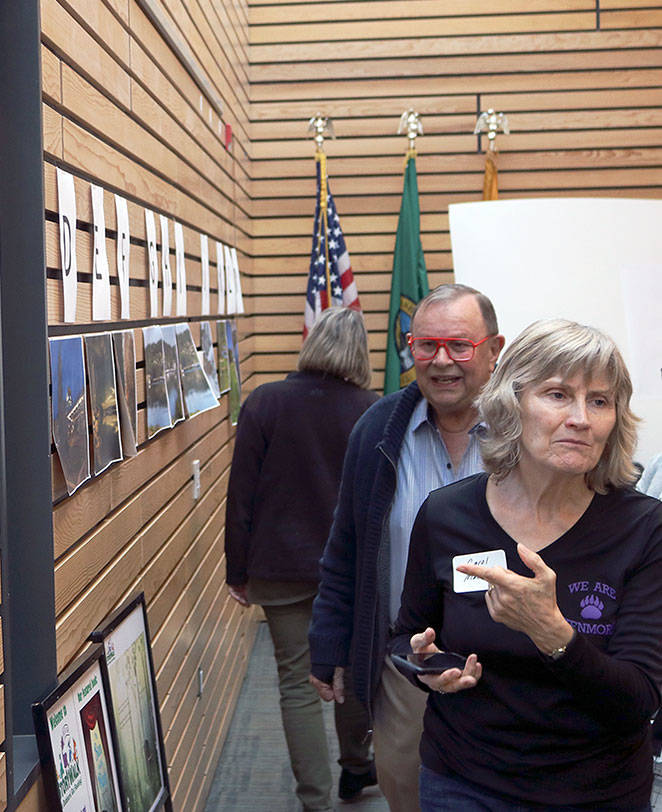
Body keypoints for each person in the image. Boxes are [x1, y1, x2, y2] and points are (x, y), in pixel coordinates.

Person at [390, 319, 662, 809]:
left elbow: (639, 701)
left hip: (596, 793)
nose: (580, 417)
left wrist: (553, 634)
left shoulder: (644, 529)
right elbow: (406, 635)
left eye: (599, 401)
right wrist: (424, 665)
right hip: (464, 782)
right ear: (511, 404)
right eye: (557, 394)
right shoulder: (447, 515)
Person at [308, 284, 505, 812]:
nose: (442, 361)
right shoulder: (376, 431)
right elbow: (345, 547)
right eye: (425, 345)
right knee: (410, 796)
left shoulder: (524, 433)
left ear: (494, 350)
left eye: (459, 346)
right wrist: (329, 640)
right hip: (408, 673)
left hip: (509, 674)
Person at [225, 307, 379, 811]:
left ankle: (314, 801)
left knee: (295, 679)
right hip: (355, 572)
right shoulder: (372, 410)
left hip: (280, 565)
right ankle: (356, 770)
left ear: (310, 343)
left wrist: (237, 570)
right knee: (354, 673)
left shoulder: (265, 402)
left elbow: (241, 495)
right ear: (361, 353)